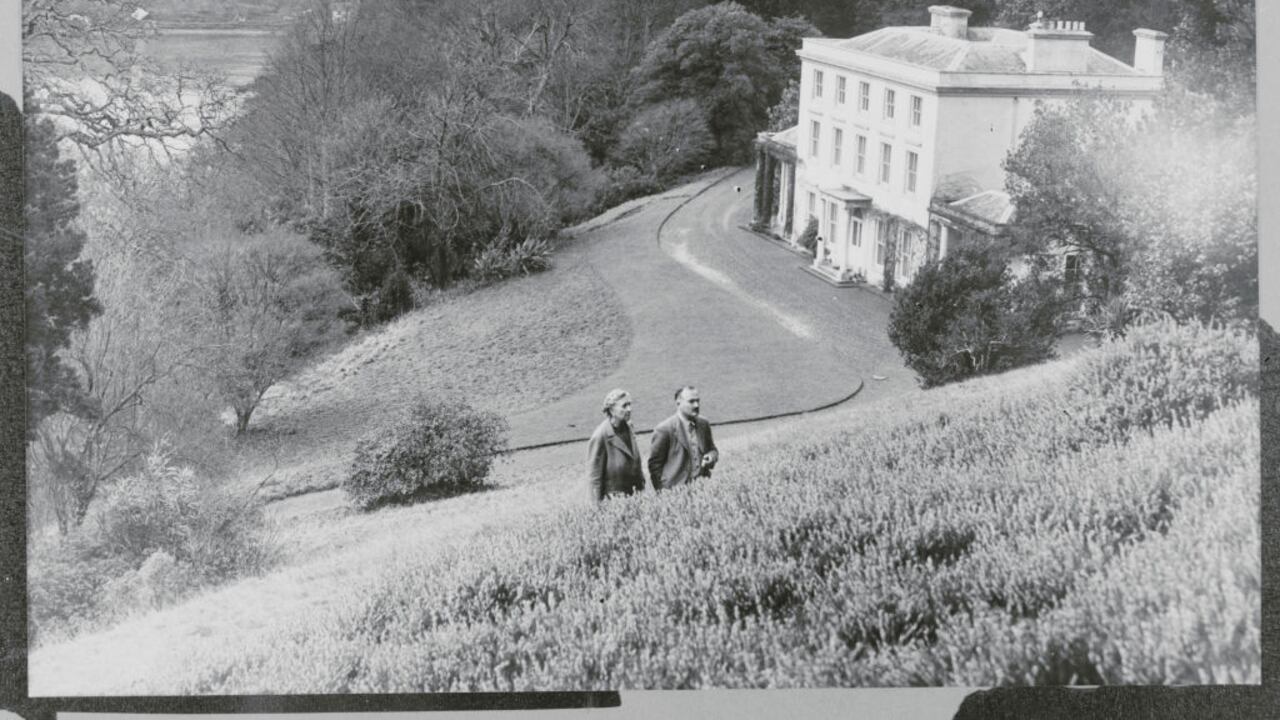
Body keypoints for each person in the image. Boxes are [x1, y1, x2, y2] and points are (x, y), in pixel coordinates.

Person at [648, 385, 718, 491]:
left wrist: (710, 457)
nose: (696, 405)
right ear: (678, 403)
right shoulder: (664, 429)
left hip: (703, 490)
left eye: (698, 401)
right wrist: (662, 492)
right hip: (675, 492)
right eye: (691, 401)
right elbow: (654, 466)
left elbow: (713, 449)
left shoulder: (704, 424)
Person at [586, 389, 645, 503]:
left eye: (630, 404)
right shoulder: (600, 436)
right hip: (613, 503)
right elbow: (594, 479)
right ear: (612, 410)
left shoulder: (629, 427)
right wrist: (596, 510)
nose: (629, 409)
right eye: (624, 406)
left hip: (636, 498)